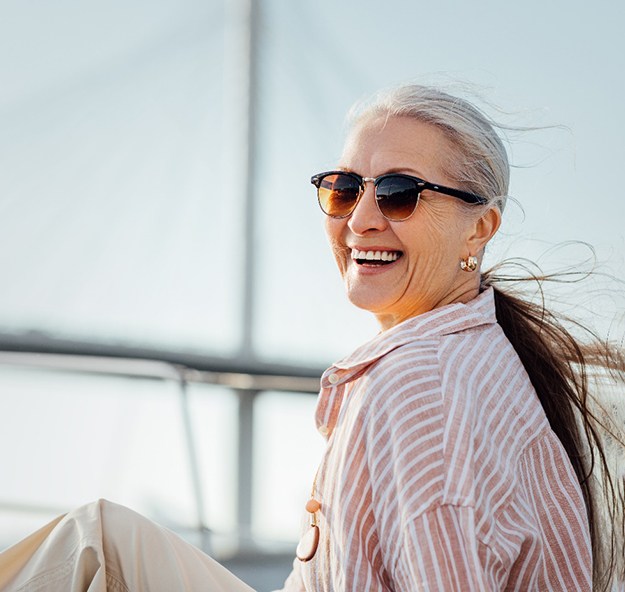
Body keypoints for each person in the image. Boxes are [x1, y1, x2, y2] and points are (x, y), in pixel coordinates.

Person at [1, 84, 623, 592]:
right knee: (101, 539)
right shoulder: (475, 356)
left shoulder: (419, 385)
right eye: (344, 188)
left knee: (87, 550)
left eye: (401, 193)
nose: (359, 219)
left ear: (478, 229)